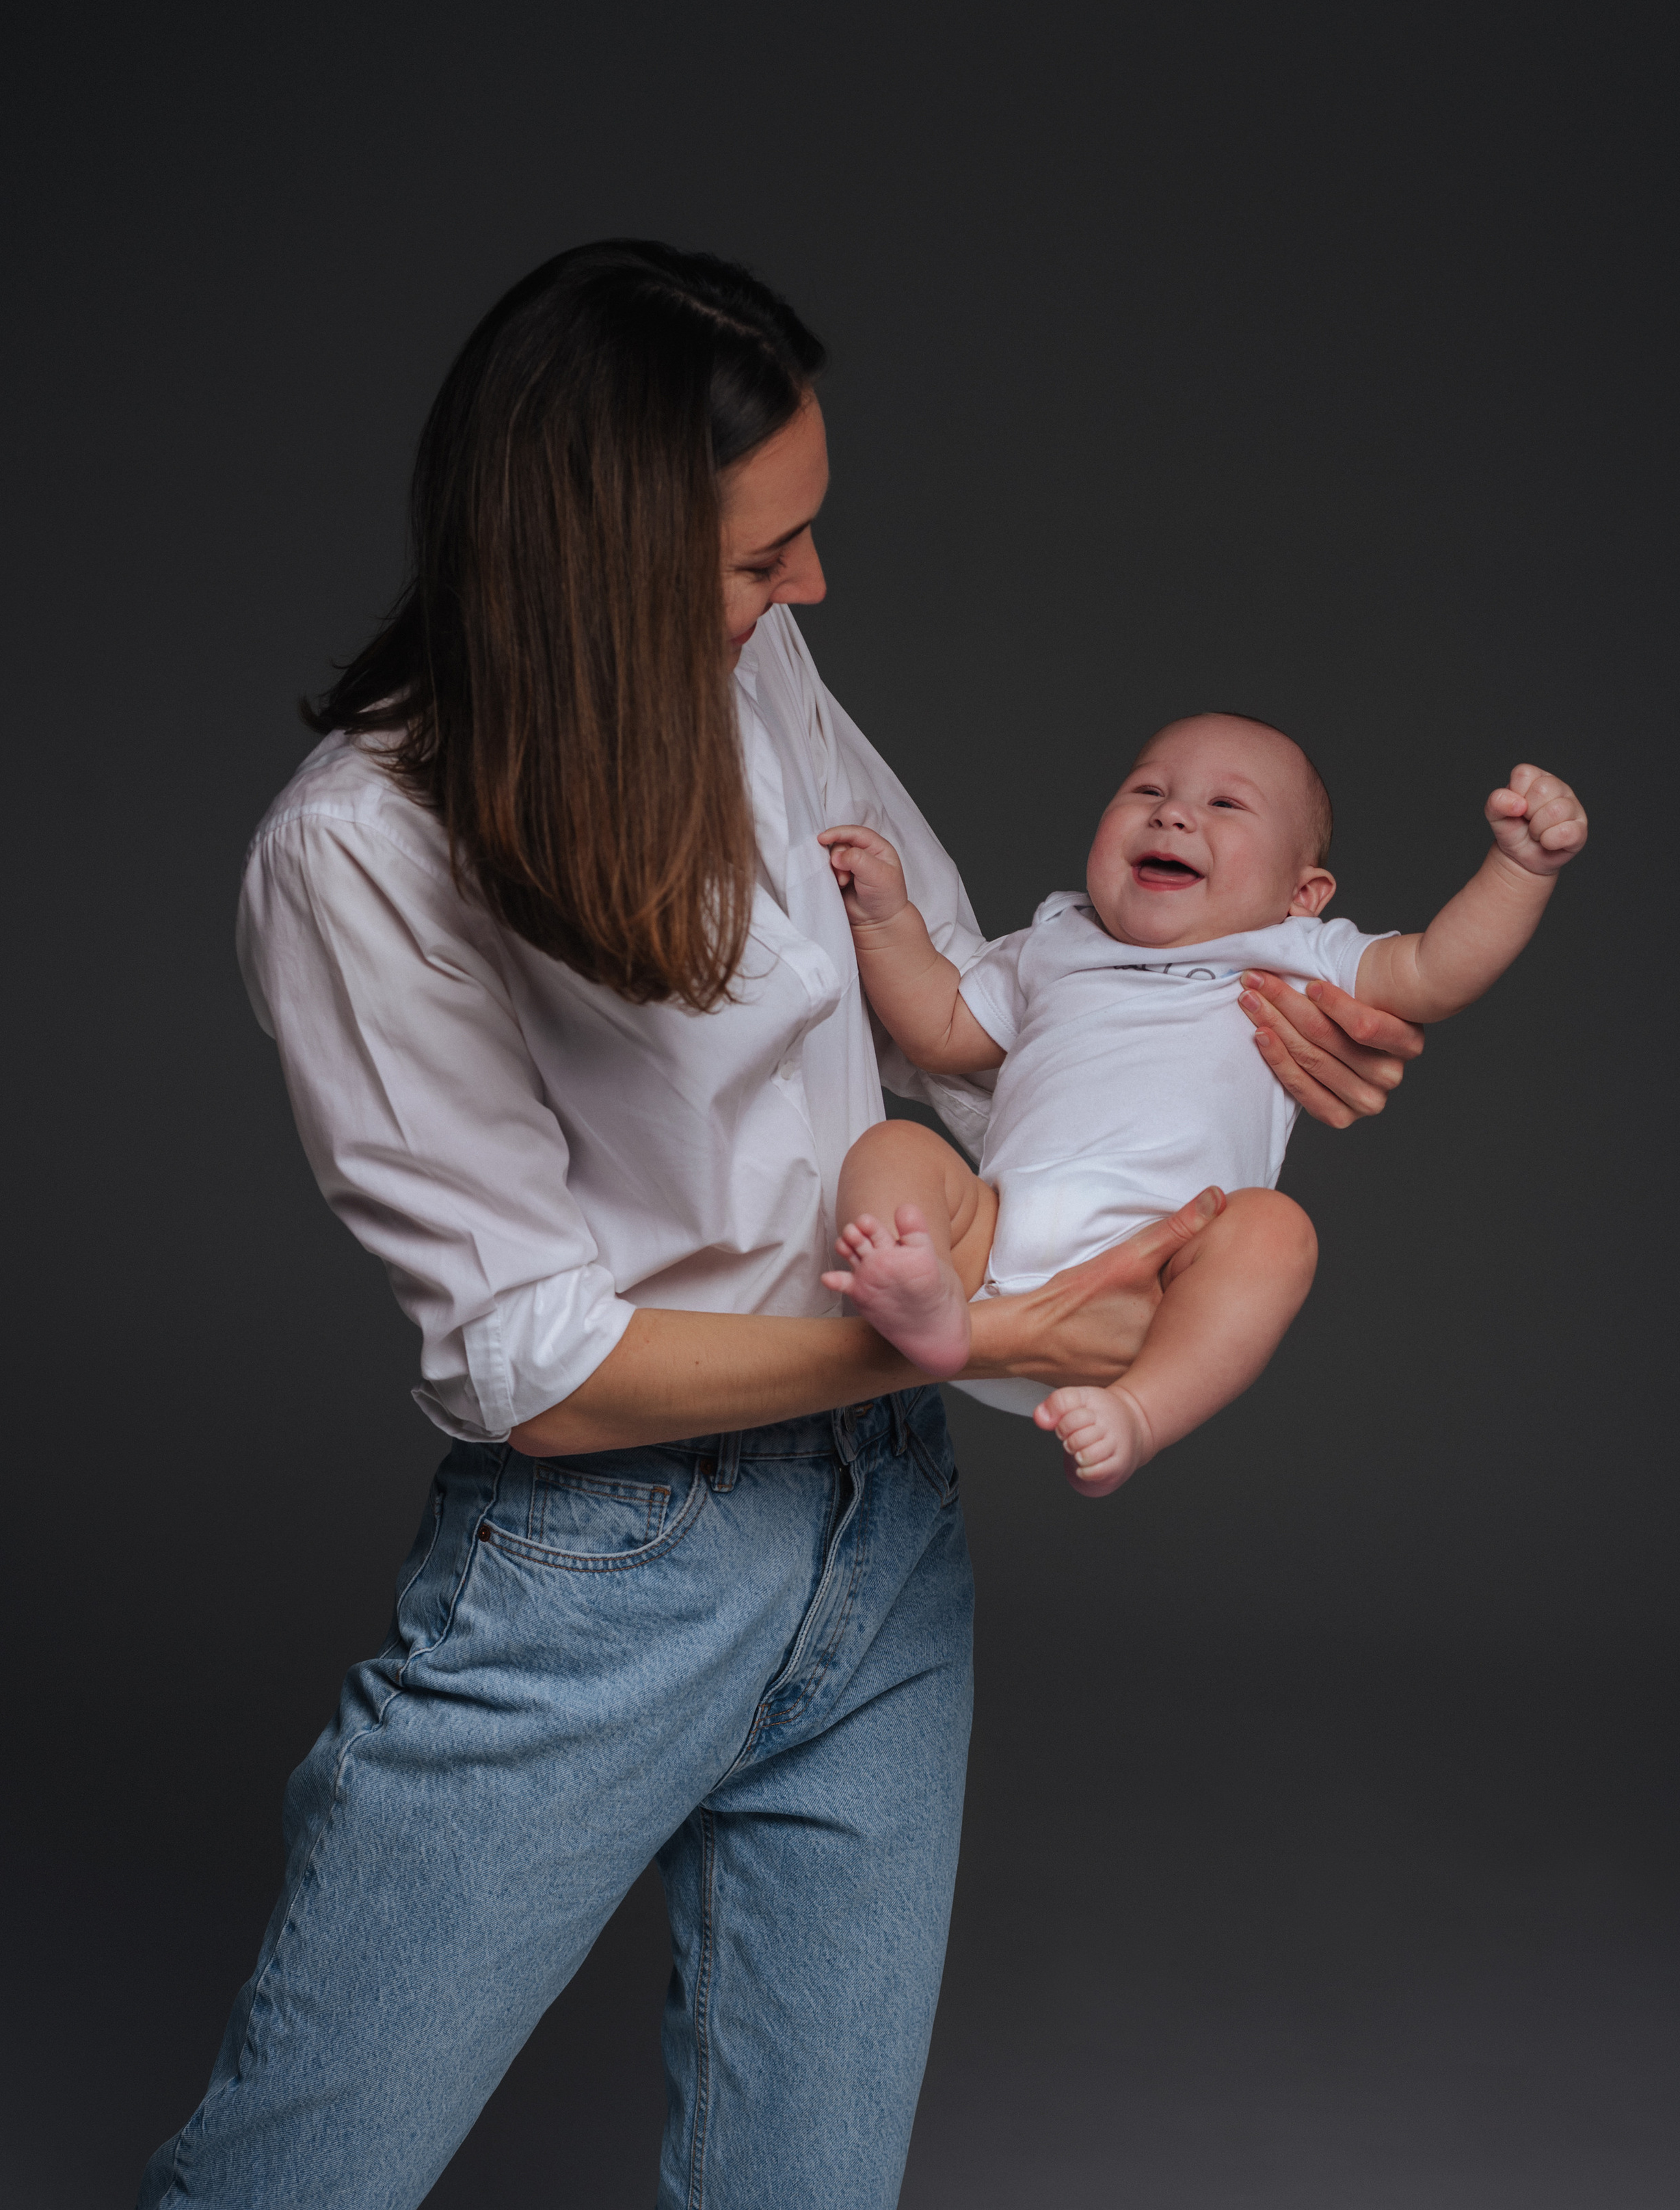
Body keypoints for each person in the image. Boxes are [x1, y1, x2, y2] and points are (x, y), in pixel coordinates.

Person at [137, 243, 1423, 2210]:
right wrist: (987, 1335)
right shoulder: (362, 853)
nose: (809, 586)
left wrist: (1214, 1026)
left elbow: (972, 1012)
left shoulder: (754, 670)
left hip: (882, 1525)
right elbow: (538, 1369)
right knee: (291, 2181)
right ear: (594, 561)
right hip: (602, 1578)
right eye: (759, 555)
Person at [817, 712, 1588, 1493]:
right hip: (989, 1255)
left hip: (1163, 1289)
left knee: (1274, 1229)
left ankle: (1139, 1415)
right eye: (1147, 791)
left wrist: (1519, 870)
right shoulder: (1053, 943)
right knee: (893, 1149)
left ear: (1302, 893)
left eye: (1225, 804)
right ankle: (921, 1294)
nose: (1173, 814)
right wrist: (885, 922)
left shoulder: (1293, 952)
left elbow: (1432, 972)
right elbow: (941, 1029)